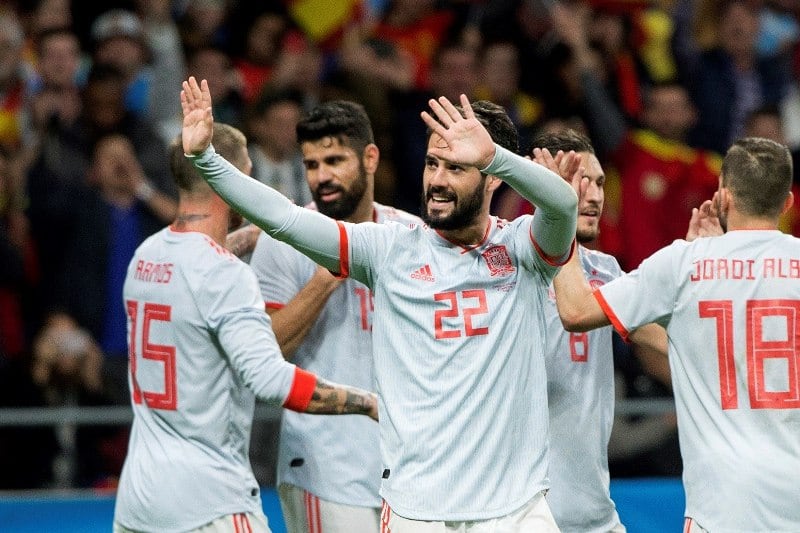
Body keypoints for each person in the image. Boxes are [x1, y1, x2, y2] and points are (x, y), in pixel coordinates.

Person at [182, 75, 579, 530]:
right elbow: (285, 219)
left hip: (518, 510)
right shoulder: (389, 251)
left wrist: (495, 156)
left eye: (456, 167)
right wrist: (206, 159)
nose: (438, 181)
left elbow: (563, 207)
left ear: (492, 179)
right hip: (418, 513)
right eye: (432, 164)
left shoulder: (523, 251)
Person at [112, 122, 379, 533]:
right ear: (229, 182)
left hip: (139, 502)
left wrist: (247, 236)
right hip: (209, 503)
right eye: (247, 176)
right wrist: (370, 403)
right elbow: (272, 381)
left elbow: (193, 274)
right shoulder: (227, 276)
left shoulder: (147, 257)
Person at [553, 136, 800, 532]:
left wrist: (558, 217)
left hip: (723, 507)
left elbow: (576, 309)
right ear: (787, 203)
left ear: (723, 197)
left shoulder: (684, 265)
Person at [248, 99, 421, 532]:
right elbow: (262, 352)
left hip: (409, 465)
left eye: (334, 160)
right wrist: (326, 277)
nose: (321, 176)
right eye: (311, 164)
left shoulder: (411, 237)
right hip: (323, 468)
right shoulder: (283, 241)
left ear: (370, 158)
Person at [532, 129, 668, 533]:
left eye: (601, 183)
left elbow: (664, 341)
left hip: (593, 512)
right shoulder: (504, 265)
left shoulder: (605, 270)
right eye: (579, 180)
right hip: (522, 512)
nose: (593, 196)